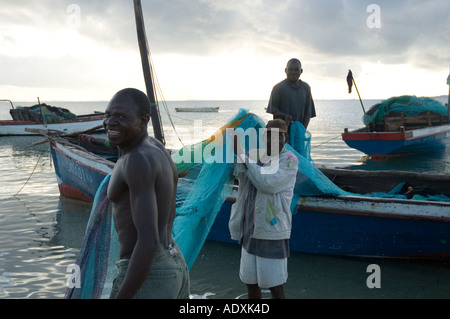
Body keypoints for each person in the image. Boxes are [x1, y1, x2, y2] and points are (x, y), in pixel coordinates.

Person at [104, 88, 189, 299]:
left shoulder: (136, 160)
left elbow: (148, 240)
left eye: (121, 116)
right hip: (172, 260)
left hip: (150, 273)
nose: (110, 122)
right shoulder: (155, 147)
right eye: (108, 115)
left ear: (144, 120)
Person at [228, 119, 298, 299]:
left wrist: (242, 154)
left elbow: (266, 183)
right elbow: (239, 173)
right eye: (270, 135)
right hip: (249, 230)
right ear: (264, 136)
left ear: (286, 138)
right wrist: (236, 150)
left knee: (275, 286)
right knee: (250, 284)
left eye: (280, 136)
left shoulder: (289, 160)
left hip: (270, 231)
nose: (275, 140)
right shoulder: (255, 155)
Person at [266, 58, 316, 131]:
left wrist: (302, 131)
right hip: (279, 132)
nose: (293, 72)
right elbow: (272, 109)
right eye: (290, 69)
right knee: (275, 141)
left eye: (296, 70)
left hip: (297, 132)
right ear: (285, 70)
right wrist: (285, 115)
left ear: (301, 71)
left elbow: (308, 114)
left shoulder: (306, 88)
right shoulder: (278, 88)